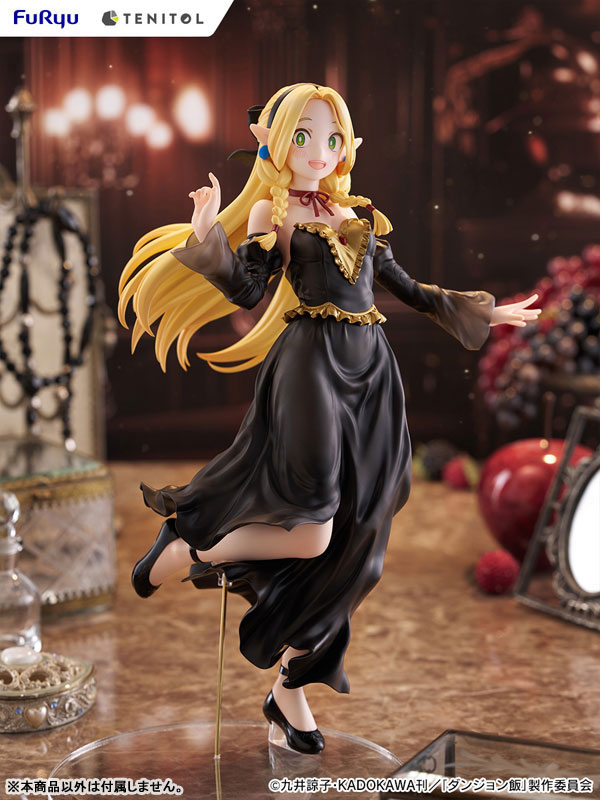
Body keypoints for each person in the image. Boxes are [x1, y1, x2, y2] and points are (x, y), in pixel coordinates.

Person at [118, 82, 540, 755]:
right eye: (303, 135)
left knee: (359, 536)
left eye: (333, 137)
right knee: (312, 530)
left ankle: (291, 688)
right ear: (276, 143)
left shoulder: (359, 212)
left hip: (372, 376)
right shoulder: (272, 210)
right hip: (310, 367)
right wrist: (206, 238)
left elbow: (409, 289)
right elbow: (248, 291)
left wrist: (485, 310)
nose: (319, 150)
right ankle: (191, 549)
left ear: (348, 145)